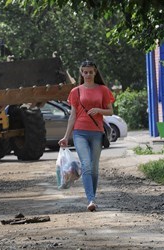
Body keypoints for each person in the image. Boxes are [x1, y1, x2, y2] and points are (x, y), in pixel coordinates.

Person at [58, 60, 115, 212]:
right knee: (87, 166)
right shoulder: (75, 91)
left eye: (91, 72)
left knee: (94, 168)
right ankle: (90, 199)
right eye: (85, 72)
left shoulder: (103, 90)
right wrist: (65, 136)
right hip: (80, 132)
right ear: (81, 73)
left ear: (95, 72)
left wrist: (99, 110)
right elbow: (72, 116)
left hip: (97, 132)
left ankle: (92, 197)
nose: (88, 74)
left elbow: (110, 111)